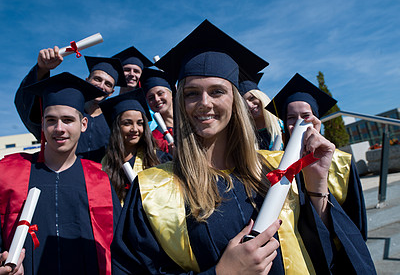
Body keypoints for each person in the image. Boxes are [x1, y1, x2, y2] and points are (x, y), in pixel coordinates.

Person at [111, 20, 375, 274]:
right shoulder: (154, 190)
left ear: (235, 101)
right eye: (192, 93)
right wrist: (222, 274)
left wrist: (316, 185)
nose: (204, 103)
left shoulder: (278, 169)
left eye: (217, 91)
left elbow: (322, 252)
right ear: (181, 102)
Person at [2, 73, 121, 275]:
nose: (59, 129)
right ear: (42, 123)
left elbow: (118, 246)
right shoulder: (9, 173)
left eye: (68, 120)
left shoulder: (99, 178)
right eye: (51, 120)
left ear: (83, 124)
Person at [265, 73, 368, 240]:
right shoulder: (276, 163)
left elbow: (354, 217)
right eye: (291, 118)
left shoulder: (342, 161)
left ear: (317, 120)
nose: (298, 123)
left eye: (305, 116)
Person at [14, 47, 127, 163]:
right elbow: (28, 107)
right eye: (97, 79)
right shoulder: (64, 115)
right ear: (87, 80)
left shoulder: (114, 121)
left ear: (112, 92)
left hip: (100, 178)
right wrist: (42, 69)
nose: (101, 86)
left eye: (108, 84)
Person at [99, 88, 171, 204]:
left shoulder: (159, 159)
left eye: (140, 123)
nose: (135, 129)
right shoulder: (105, 164)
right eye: (127, 123)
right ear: (117, 127)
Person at [239, 72, 283, 150]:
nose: (249, 105)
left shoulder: (284, 127)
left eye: (252, 98)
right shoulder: (244, 138)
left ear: (262, 97)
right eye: (244, 104)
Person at [141, 68, 175, 153]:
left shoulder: (192, 123)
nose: (157, 99)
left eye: (160, 93)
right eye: (151, 98)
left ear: (171, 94)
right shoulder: (154, 138)